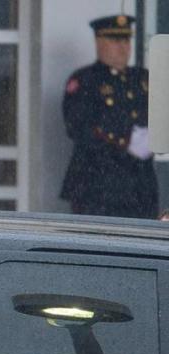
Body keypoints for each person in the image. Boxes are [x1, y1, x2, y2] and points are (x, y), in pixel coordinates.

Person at [61, 14, 159, 218]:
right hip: (96, 182)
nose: (123, 47)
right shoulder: (85, 80)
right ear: (99, 42)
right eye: (115, 41)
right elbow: (78, 126)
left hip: (140, 184)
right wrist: (126, 141)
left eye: (126, 40)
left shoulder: (143, 79)